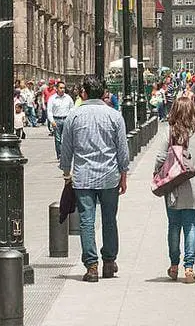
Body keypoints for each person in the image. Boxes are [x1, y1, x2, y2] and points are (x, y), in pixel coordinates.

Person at [59, 76, 130, 282]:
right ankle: (109, 261)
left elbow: (66, 147)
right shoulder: (114, 116)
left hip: (83, 177)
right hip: (109, 175)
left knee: (86, 221)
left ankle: (91, 266)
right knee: (109, 219)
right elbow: (122, 150)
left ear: (84, 93)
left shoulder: (74, 116)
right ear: (104, 92)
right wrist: (123, 174)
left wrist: (66, 171)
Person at [154, 94, 195, 284]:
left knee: (173, 226)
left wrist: (156, 175)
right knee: (191, 226)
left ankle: (174, 266)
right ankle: (189, 267)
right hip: (194, 187)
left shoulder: (170, 131)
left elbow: (159, 157)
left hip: (173, 185)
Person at [48, 81, 75, 161]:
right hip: (56, 120)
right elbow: (49, 111)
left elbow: (72, 108)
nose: (62, 89)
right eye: (61, 88)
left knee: (64, 138)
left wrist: (70, 117)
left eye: (63, 88)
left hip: (66, 119)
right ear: (57, 88)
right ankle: (59, 155)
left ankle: (64, 154)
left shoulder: (68, 98)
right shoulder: (52, 98)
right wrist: (52, 121)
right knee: (58, 139)